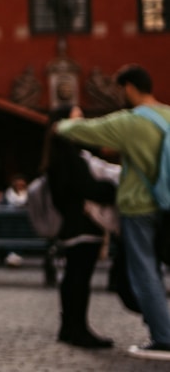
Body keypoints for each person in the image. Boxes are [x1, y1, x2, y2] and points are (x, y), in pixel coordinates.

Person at [56, 64, 170, 360]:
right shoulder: (168, 116)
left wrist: (65, 124)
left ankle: (163, 337)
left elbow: (86, 131)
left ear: (129, 88)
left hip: (139, 206)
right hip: (167, 206)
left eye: (120, 90)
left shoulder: (133, 121)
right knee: (158, 267)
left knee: (145, 271)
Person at [42, 105, 119, 348]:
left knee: (73, 276)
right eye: (78, 118)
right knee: (79, 277)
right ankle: (79, 329)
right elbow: (88, 188)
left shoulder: (58, 154)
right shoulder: (70, 155)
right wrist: (113, 190)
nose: (83, 122)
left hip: (71, 223)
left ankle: (69, 326)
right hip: (82, 224)